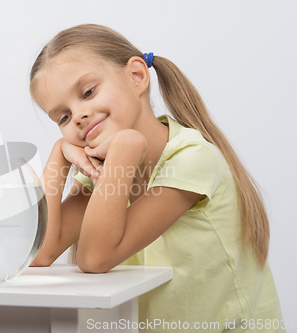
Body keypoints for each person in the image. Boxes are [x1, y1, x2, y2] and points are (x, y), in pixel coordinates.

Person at [29, 24, 285, 332]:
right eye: (63, 117)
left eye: (88, 92)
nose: (79, 115)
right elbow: (38, 253)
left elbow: (94, 258)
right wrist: (58, 155)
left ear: (136, 76)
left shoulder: (192, 158)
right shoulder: (101, 173)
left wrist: (127, 145)